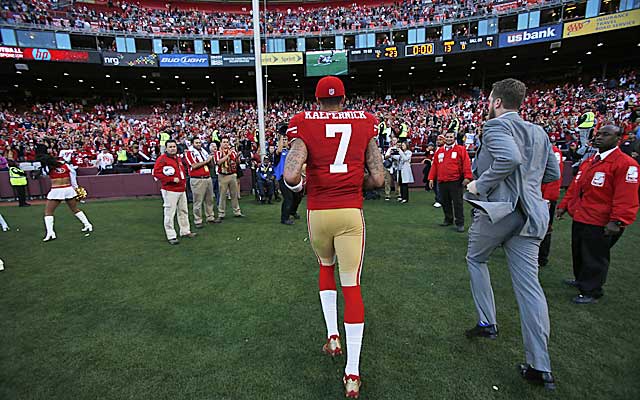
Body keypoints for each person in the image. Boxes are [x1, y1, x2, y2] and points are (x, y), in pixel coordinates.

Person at [283, 76, 385, 399]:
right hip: (350, 213)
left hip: (319, 213)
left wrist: (303, 188)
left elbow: (290, 173)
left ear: (317, 101)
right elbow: (379, 178)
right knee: (352, 285)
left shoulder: (303, 122)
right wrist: (356, 186)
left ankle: (332, 336)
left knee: (325, 267)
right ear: (343, 99)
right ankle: (352, 373)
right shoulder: (365, 121)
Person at [463, 79, 560, 390]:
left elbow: (510, 159)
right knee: (530, 288)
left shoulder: (493, 127)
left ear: (496, 102)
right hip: (533, 216)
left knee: (476, 259)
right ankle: (539, 366)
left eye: (489, 99)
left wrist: (482, 184)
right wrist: (525, 184)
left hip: (500, 212)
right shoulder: (539, 132)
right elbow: (552, 174)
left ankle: (487, 322)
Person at [556, 125, 639, 304]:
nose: (599, 137)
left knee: (595, 255)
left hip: (600, 220)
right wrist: (564, 206)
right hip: (581, 215)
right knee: (579, 251)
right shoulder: (591, 161)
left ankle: (592, 291)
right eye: (598, 134)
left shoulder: (625, 164)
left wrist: (617, 221)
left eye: (606, 135)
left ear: (618, 139)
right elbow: (576, 187)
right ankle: (581, 280)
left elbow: (626, 195)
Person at [39, 155, 94, 242]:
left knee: (48, 212)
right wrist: (76, 188)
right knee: (75, 209)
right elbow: (73, 178)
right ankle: (88, 225)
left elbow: (42, 174)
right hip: (68, 189)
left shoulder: (47, 168)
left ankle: (50, 232)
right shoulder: (66, 166)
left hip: (56, 191)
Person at [152, 140, 196, 245]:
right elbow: (156, 173)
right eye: (170, 147)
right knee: (169, 213)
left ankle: (185, 231)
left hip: (181, 189)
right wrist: (170, 179)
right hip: (170, 190)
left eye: (174, 146)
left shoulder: (177, 158)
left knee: (183, 211)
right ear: (166, 148)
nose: (172, 148)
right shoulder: (162, 159)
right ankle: (171, 235)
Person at [428, 131, 472, 232]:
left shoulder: (460, 149)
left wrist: (467, 177)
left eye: (451, 137)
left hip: (455, 181)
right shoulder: (439, 151)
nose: (449, 139)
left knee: (457, 203)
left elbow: (466, 163)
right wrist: (431, 178)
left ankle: (460, 223)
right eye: (447, 137)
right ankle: (448, 219)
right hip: (442, 181)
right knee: (445, 202)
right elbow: (434, 165)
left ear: (454, 138)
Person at [538, 143, 563, 267]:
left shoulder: (553, 151)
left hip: (544, 196)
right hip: (532, 193)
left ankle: (541, 257)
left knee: (544, 227)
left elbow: (554, 176)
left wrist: (548, 198)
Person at [185, 138, 218, 229]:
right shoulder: (189, 153)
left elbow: (211, 166)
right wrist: (206, 161)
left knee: (209, 199)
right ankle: (198, 220)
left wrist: (211, 159)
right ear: (192, 144)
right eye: (196, 143)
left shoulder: (204, 152)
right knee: (198, 201)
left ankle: (210, 216)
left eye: (199, 142)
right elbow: (194, 165)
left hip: (207, 177)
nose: (199, 144)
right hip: (197, 179)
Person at [274, 127, 302, 224]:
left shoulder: (291, 151)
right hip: (283, 178)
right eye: (284, 140)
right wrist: (282, 136)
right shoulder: (278, 153)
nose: (285, 141)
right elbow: (279, 149)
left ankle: (292, 211)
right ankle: (284, 218)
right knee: (288, 198)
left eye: (286, 139)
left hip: (293, 177)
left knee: (298, 196)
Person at [214, 137, 244, 221]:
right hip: (223, 175)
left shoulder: (233, 152)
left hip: (232, 174)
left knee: (234, 194)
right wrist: (227, 155)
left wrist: (237, 157)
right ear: (221, 143)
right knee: (222, 195)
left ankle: (237, 211)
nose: (226, 144)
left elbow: (237, 163)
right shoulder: (218, 153)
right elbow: (218, 162)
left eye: (227, 142)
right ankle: (221, 213)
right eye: (224, 142)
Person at [383, 136, 401, 201]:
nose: (394, 142)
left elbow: (400, 157)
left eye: (395, 140)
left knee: (397, 181)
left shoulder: (399, 149)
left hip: (396, 167)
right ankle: (387, 194)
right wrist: (390, 155)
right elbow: (386, 157)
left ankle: (398, 194)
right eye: (393, 140)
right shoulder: (390, 149)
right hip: (389, 167)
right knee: (387, 181)